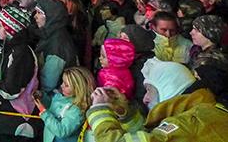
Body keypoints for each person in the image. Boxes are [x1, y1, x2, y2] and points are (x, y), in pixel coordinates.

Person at [88, 58, 228, 140]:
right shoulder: (199, 110)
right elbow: (150, 134)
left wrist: (100, 111)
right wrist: (126, 112)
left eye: (149, 90)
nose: (145, 99)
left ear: (168, 88)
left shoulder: (191, 121)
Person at [0, 6, 38, 141]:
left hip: (16, 121)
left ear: (10, 29)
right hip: (3, 120)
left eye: (1, 26)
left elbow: (11, 89)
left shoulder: (21, 54)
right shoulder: (5, 48)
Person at [35, 66, 95, 142]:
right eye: (63, 82)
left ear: (79, 88)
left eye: (66, 85)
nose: (61, 85)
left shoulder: (77, 110)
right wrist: (42, 97)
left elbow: (62, 131)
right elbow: (52, 107)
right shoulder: (61, 96)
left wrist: (44, 112)